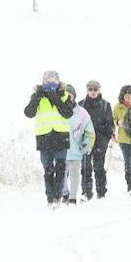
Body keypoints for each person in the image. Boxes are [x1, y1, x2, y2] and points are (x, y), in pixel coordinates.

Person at [23, 69, 76, 208]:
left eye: (54, 80)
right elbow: (28, 113)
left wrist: (54, 96)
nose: (51, 83)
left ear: (58, 81)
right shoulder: (37, 96)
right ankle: (49, 198)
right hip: (44, 138)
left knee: (60, 168)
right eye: (48, 81)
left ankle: (58, 197)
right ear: (43, 82)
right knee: (48, 170)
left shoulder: (65, 95)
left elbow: (67, 113)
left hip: (60, 137)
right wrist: (37, 98)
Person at [79, 80, 113, 200]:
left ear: (99, 90)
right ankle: (86, 192)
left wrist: (105, 137)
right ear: (87, 90)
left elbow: (110, 124)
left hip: (100, 141)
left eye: (95, 89)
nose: (93, 92)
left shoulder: (105, 105)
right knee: (85, 166)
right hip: (86, 140)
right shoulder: (81, 105)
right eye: (90, 89)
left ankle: (101, 192)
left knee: (99, 166)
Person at [62, 84, 96, 205]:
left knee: (74, 175)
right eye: (64, 95)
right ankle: (64, 193)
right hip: (61, 150)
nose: (67, 98)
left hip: (76, 150)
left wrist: (86, 144)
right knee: (61, 176)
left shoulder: (82, 113)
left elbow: (90, 131)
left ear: (74, 96)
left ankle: (72, 198)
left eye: (69, 95)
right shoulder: (57, 111)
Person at [112, 85, 131, 195]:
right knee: (128, 162)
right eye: (126, 94)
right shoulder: (118, 107)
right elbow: (112, 120)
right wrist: (118, 122)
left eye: (130, 94)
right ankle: (130, 185)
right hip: (123, 139)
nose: (128, 96)